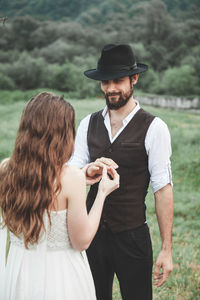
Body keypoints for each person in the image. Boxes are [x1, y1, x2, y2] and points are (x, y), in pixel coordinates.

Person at [69, 44, 174, 300]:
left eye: (118, 80)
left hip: (132, 236)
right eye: (105, 81)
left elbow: (162, 189)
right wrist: (87, 170)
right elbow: (71, 174)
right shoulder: (87, 123)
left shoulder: (154, 128)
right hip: (91, 235)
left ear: (134, 79)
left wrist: (167, 250)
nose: (111, 88)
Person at [0, 92, 119, 300]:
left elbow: (41, 187)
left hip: (19, 275)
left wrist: (80, 179)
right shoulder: (70, 178)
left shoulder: (6, 168)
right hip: (60, 279)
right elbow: (81, 241)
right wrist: (102, 193)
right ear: (62, 133)